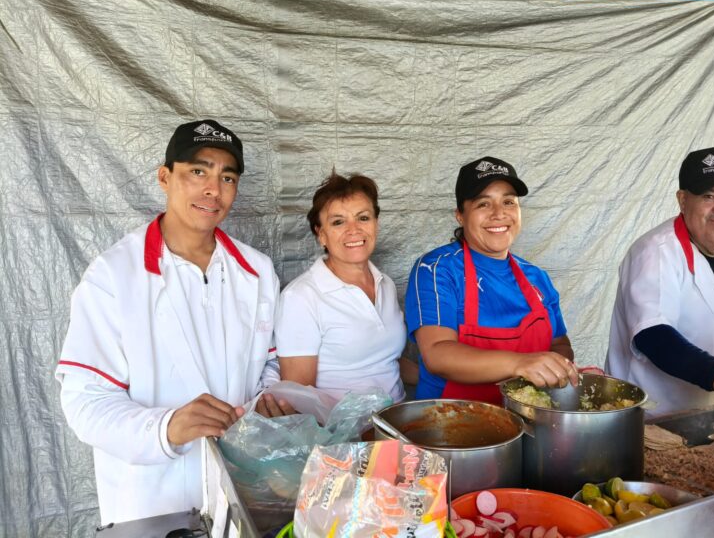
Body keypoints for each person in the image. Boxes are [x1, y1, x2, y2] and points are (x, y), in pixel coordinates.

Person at [55, 120, 293, 525]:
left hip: (238, 488)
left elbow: (269, 363)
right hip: (150, 500)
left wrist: (265, 404)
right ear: (165, 177)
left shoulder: (256, 271)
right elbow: (84, 402)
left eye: (227, 177)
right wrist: (167, 427)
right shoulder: (114, 276)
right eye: (197, 172)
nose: (212, 190)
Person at [606, 147, 714, 428]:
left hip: (709, 416)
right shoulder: (655, 252)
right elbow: (653, 335)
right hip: (652, 418)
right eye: (708, 196)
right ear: (682, 200)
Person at [405, 156, 578, 404]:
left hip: (528, 417)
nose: (499, 214)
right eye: (483, 204)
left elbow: (559, 343)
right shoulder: (437, 269)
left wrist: (558, 368)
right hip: (450, 421)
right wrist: (521, 363)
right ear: (460, 215)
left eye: (509, 202)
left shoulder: (536, 277)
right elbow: (437, 354)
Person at [275, 172, 417, 402]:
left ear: (375, 224)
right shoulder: (301, 297)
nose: (354, 230)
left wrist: (442, 379)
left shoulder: (385, 284)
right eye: (338, 222)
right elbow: (298, 396)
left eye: (363, 218)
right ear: (321, 234)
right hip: (343, 433)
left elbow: (385, 361)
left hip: (396, 424)